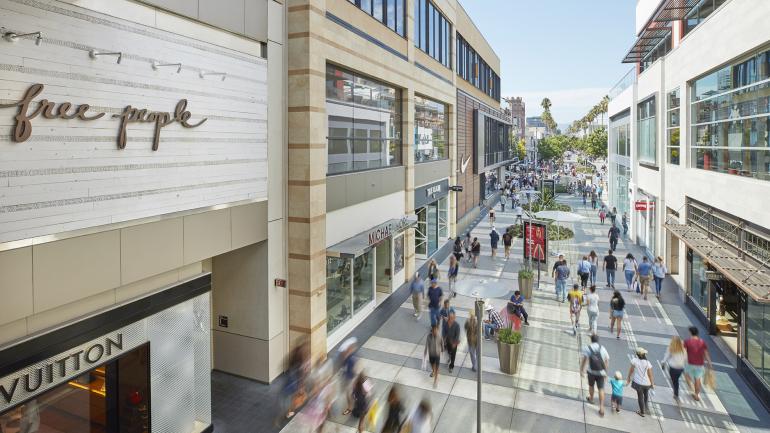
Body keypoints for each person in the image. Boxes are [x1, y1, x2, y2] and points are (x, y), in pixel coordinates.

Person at [581, 334, 609, 417]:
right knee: (601, 389)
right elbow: (607, 360)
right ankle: (601, 407)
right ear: (598, 340)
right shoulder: (602, 348)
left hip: (591, 372)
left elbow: (584, 360)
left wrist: (582, 370)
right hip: (601, 372)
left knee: (591, 386)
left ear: (591, 340)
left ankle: (592, 398)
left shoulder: (587, 348)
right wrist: (605, 372)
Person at [683, 326, 712, 401]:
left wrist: (683, 361)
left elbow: (684, 352)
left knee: (686, 375)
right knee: (698, 379)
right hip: (700, 364)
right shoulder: (702, 342)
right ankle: (696, 394)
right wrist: (709, 363)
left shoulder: (687, 341)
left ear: (690, 332)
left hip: (690, 363)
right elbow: (706, 353)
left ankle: (692, 388)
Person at [627, 347, 654, 417]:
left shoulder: (634, 361)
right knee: (646, 394)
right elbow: (650, 374)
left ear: (637, 354)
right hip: (647, 383)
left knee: (640, 397)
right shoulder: (648, 363)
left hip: (638, 383)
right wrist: (652, 383)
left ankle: (642, 412)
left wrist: (628, 378)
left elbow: (631, 370)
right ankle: (646, 407)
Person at [662, 336, 687, 402]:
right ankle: (676, 393)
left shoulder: (671, 348)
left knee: (674, 380)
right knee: (676, 380)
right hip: (681, 368)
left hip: (673, 367)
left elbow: (666, 357)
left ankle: (676, 393)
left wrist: (663, 363)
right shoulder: (683, 349)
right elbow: (686, 358)